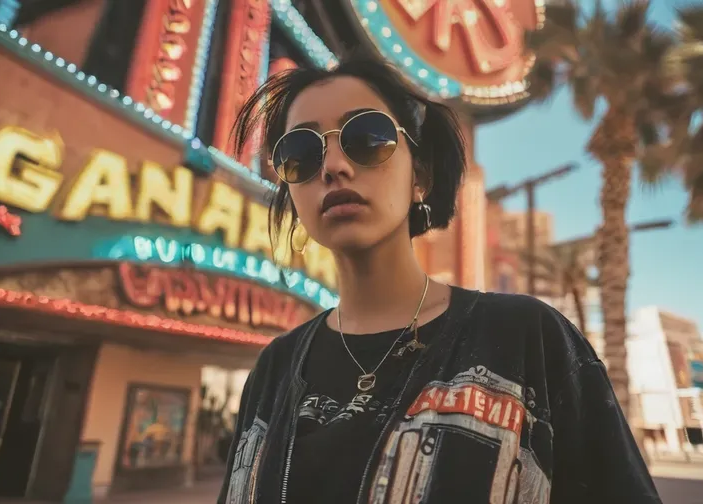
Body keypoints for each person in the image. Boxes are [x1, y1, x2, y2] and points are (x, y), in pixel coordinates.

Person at [217, 56, 661, 504]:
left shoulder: (529, 339)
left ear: (421, 177)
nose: (333, 166)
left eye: (367, 138)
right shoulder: (275, 367)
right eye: (301, 154)